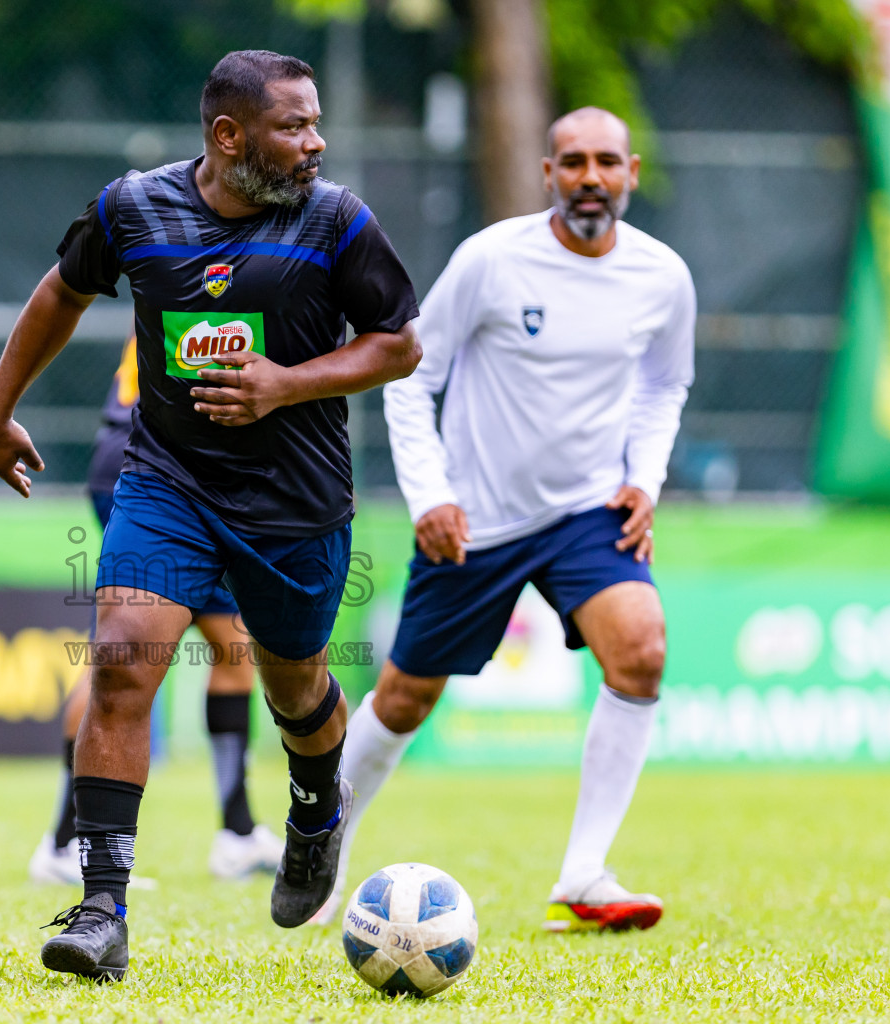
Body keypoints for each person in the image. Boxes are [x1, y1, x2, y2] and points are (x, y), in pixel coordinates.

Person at [0, 49, 420, 980]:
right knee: (122, 663)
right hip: (166, 480)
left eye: (315, 123)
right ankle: (101, 907)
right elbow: (63, 289)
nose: (316, 141)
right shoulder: (132, 208)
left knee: (294, 687)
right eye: (294, 126)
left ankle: (313, 809)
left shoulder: (337, 219)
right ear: (229, 136)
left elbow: (398, 346)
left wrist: (285, 384)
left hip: (295, 503)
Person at [319, 106, 696, 932]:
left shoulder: (663, 276)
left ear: (630, 172)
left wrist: (645, 479)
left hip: (588, 512)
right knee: (407, 695)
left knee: (641, 649)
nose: (589, 177)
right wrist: (431, 497)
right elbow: (412, 376)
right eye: (572, 162)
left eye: (605, 162)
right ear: (547, 172)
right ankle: (321, 849)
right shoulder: (491, 260)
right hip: (476, 518)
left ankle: (586, 874)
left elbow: (665, 386)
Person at [28, 335, 285, 886]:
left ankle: (236, 832)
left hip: (144, 465)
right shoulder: (229, 281)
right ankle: (64, 839)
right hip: (163, 472)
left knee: (225, 646)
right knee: (134, 653)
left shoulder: (176, 272)